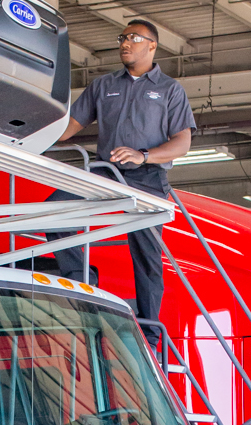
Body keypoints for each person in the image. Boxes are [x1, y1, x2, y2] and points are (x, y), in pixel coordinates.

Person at [54, 18, 193, 329]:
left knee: (146, 256)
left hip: (147, 177)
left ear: (153, 45)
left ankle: (150, 331)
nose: (125, 43)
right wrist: (26, 124)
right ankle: (81, 282)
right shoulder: (104, 86)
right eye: (122, 38)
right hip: (106, 172)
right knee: (56, 211)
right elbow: (66, 131)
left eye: (134, 38)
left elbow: (182, 142)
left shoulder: (170, 89)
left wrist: (144, 156)